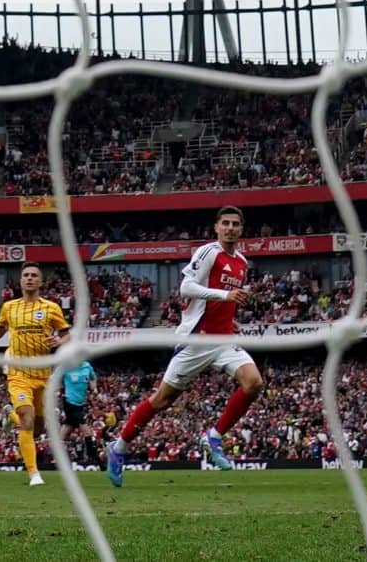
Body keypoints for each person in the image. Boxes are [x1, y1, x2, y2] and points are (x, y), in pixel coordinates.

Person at [109, 207, 260, 485]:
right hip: (196, 338)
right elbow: (186, 288)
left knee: (253, 383)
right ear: (216, 227)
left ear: (241, 230)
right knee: (162, 401)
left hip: (223, 338)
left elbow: (220, 301)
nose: (230, 228)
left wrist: (229, 317)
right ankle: (119, 448)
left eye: (235, 224)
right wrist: (225, 295)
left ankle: (213, 437)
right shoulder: (208, 252)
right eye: (225, 223)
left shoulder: (241, 262)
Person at [0, 262, 70, 486]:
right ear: (21, 281)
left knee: (40, 427)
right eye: (26, 275)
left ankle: (9, 416)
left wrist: (59, 341)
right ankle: (34, 474)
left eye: (34, 275)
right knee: (27, 418)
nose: (30, 278)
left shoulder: (52, 308)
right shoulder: (9, 307)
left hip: (44, 374)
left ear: (41, 281)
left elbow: (66, 335)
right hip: (18, 372)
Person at [59, 359, 97, 458]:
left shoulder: (87, 366)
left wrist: (94, 389)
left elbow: (93, 378)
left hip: (80, 404)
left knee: (67, 427)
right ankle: (92, 456)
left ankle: (55, 453)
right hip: (69, 402)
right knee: (86, 429)